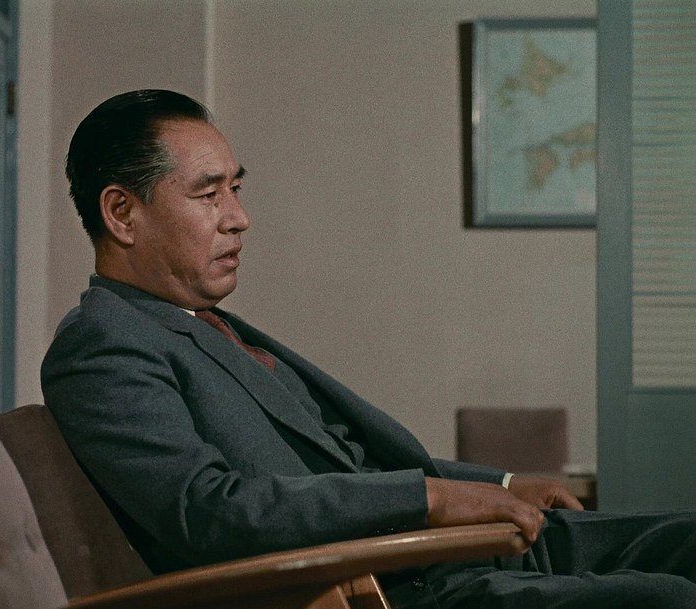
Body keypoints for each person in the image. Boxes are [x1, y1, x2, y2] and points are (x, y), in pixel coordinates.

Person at [42, 89, 696, 608]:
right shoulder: (102, 346)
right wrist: (433, 499)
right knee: (664, 597)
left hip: (438, 550)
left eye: (236, 189)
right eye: (209, 194)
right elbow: (210, 513)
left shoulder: (203, 323)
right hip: (388, 585)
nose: (238, 217)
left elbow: (345, 460)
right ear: (121, 214)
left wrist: (495, 484)